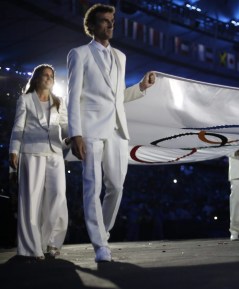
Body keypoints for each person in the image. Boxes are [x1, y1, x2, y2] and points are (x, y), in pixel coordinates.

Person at [67, 3, 156, 262]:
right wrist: (76, 133)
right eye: (104, 21)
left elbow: (117, 98)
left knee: (116, 186)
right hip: (90, 129)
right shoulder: (79, 54)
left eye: (111, 20)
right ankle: (99, 245)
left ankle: (103, 234)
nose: (110, 24)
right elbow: (73, 97)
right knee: (91, 186)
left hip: (117, 129)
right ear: (92, 27)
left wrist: (140, 87)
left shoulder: (121, 56)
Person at [9, 64, 69, 259]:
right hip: (31, 152)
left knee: (58, 196)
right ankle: (31, 247)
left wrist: (75, 137)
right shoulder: (25, 100)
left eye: (51, 75)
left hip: (55, 152)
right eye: (45, 75)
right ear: (36, 78)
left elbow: (66, 126)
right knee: (31, 199)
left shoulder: (59, 101)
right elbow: (18, 127)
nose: (49, 78)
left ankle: (52, 243)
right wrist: (13, 151)